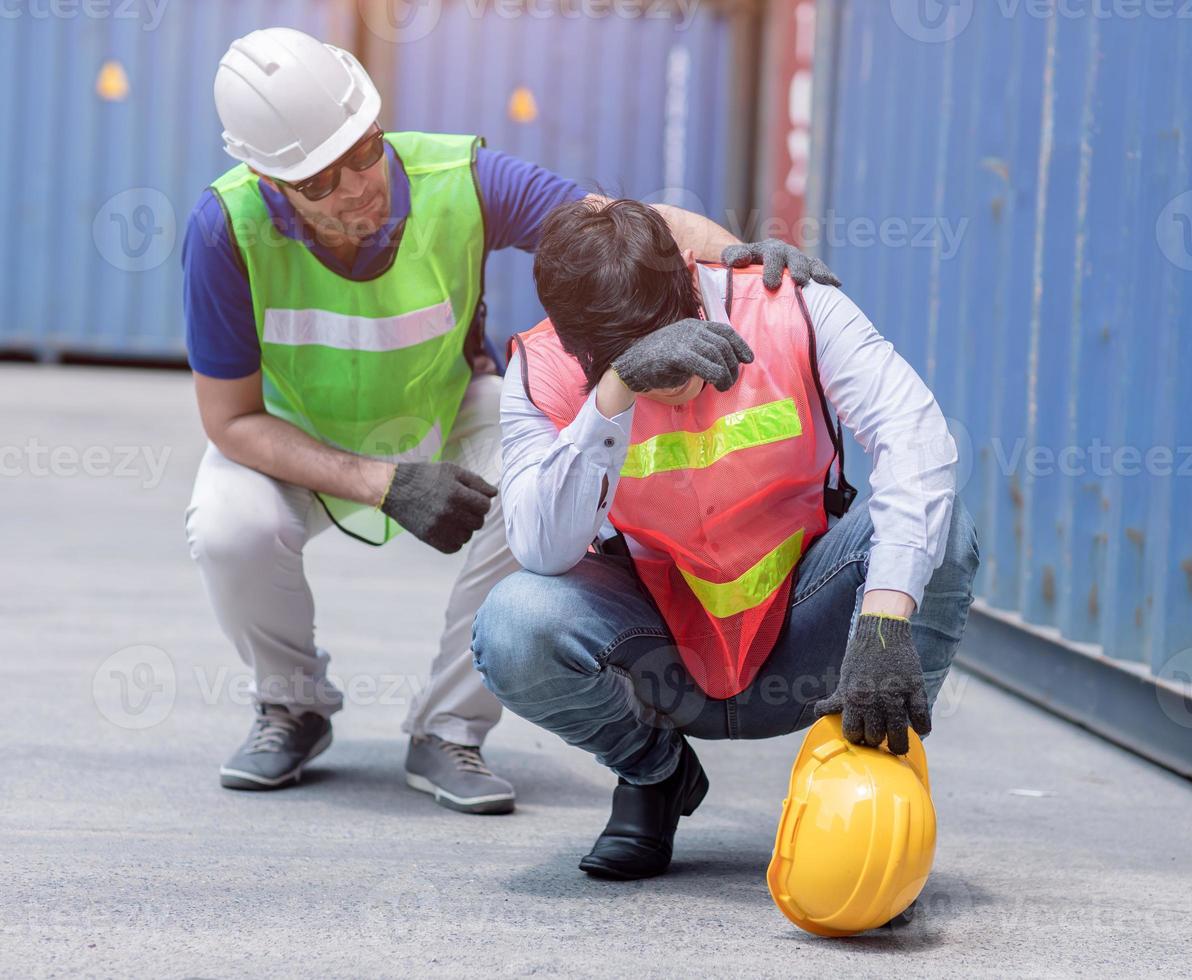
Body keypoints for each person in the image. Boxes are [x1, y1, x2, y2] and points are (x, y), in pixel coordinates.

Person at [180, 27, 832, 814]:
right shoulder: (225, 231)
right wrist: (380, 483)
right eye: (322, 180)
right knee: (229, 525)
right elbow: (231, 421)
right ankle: (292, 704)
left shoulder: (460, 178)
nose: (358, 185)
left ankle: (448, 727)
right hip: (298, 436)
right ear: (267, 177)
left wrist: (740, 262)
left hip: (446, 408)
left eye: (365, 150)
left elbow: (619, 223)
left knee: (537, 482)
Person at [471, 197, 980, 879]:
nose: (669, 370)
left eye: (667, 325)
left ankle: (871, 788)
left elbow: (915, 434)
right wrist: (614, 393)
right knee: (515, 623)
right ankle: (655, 776)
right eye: (623, 353)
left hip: (805, 637)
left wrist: (885, 620)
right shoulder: (546, 371)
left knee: (944, 533)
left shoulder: (787, 305)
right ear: (577, 347)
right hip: (664, 657)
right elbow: (542, 549)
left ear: (690, 281)